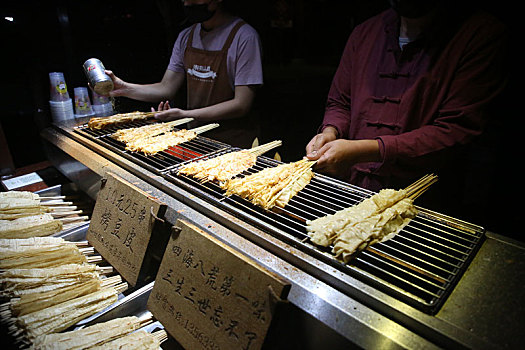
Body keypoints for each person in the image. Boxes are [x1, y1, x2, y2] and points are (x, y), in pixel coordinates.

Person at [305, 0, 508, 217]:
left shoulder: (479, 34)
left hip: (422, 202)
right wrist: (330, 131)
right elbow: (341, 102)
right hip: (350, 190)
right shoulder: (365, 33)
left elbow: (456, 129)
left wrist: (361, 151)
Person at [106, 0, 264, 148]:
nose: (188, 4)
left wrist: (185, 114)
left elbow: (241, 104)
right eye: (185, 0)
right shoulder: (186, 37)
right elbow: (166, 88)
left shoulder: (244, 37)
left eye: (194, 0)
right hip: (196, 138)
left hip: (235, 142)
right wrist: (124, 88)